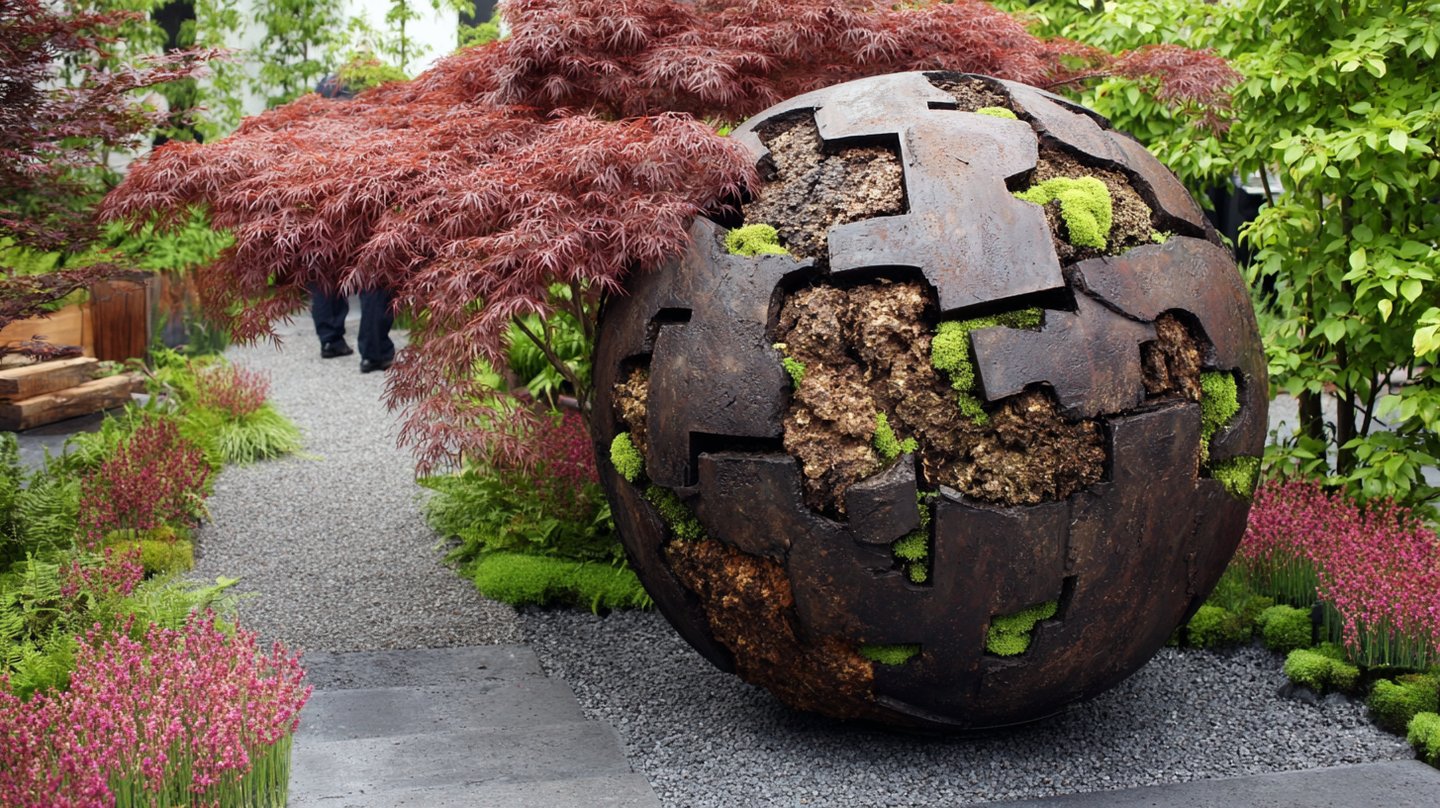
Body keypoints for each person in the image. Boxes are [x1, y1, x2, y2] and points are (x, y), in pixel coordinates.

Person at [310, 74, 395, 373]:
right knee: (373, 273)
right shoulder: (371, 127)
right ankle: (374, 351)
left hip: (323, 209)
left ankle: (331, 339)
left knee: (325, 268)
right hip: (366, 208)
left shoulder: (309, 131)